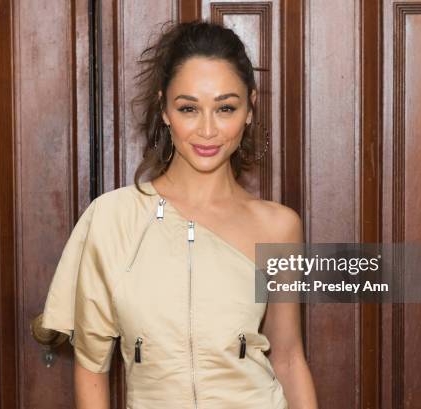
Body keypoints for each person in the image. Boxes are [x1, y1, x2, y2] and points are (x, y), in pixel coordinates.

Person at [41, 20, 318, 409]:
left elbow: (288, 358)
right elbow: (91, 366)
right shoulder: (112, 219)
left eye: (225, 108)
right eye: (189, 108)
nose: (207, 129)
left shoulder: (278, 226)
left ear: (250, 109)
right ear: (166, 109)